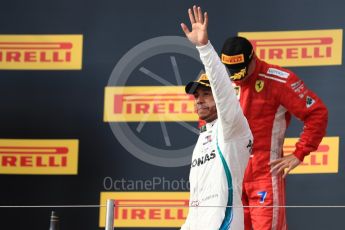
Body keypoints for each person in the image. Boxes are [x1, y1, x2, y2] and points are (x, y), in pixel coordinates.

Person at [220, 32, 328, 229]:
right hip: (231, 174)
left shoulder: (279, 80)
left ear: (253, 57)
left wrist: (300, 152)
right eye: (232, 70)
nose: (238, 76)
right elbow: (208, 120)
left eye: (241, 69)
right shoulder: (223, 81)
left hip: (264, 173)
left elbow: (317, 113)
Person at [180, 6, 253, 230]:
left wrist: (204, 47)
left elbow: (223, 88)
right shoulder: (204, 135)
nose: (199, 100)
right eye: (196, 96)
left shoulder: (231, 126)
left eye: (206, 94)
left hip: (224, 224)